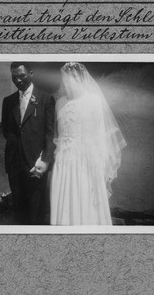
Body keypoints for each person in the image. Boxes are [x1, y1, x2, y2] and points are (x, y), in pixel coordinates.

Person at [50, 62, 127, 225]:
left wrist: (99, 162)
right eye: (65, 80)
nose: (67, 84)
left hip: (86, 159)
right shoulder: (60, 103)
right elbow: (58, 133)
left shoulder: (93, 101)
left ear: (81, 78)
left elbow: (99, 133)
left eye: (71, 79)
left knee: (84, 198)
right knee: (64, 197)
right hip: (64, 159)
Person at [2, 62, 56, 225]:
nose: (18, 80)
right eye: (14, 77)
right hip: (15, 162)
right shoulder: (8, 101)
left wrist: (45, 159)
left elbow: (50, 132)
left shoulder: (45, 99)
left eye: (22, 76)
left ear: (31, 74)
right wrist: (15, 152)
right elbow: (7, 130)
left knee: (36, 208)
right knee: (19, 207)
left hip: (36, 162)